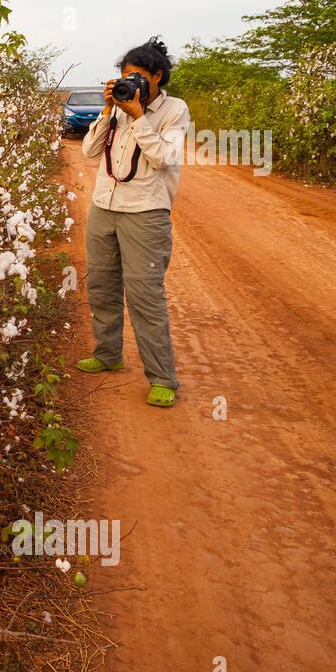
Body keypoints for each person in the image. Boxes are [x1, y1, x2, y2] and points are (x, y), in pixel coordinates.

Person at [77, 37, 190, 408]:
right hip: (103, 206)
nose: (132, 84)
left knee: (145, 296)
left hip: (146, 212)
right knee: (102, 286)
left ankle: (162, 379)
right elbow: (90, 151)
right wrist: (110, 110)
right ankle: (108, 354)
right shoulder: (118, 107)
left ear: (157, 77)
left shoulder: (174, 110)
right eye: (126, 77)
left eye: (139, 78)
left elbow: (164, 158)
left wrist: (140, 117)